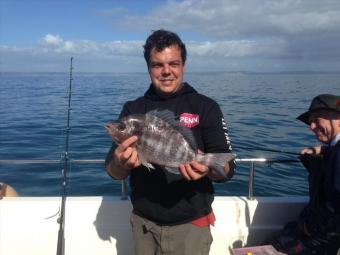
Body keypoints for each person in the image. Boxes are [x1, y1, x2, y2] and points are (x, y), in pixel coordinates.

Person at [105, 29, 235, 255]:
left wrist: (208, 170)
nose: (166, 71)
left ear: (183, 65)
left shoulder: (206, 107)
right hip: (144, 224)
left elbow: (228, 168)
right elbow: (113, 171)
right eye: (157, 65)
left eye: (173, 63)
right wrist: (120, 163)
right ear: (149, 68)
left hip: (192, 226)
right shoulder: (132, 110)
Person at [265, 94, 340, 254]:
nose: (311, 126)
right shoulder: (334, 149)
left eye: (316, 119)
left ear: (336, 118)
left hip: (323, 238)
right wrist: (320, 150)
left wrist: (309, 227)